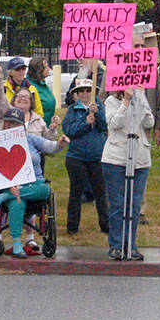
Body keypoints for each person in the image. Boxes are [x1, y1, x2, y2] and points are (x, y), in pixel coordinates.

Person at [0, 107, 62, 258]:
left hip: (35, 184)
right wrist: (11, 188)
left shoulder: (31, 139)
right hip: (12, 186)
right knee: (17, 201)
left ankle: (5, 198)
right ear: (5, 126)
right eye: (10, 124)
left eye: (17, 124)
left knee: (45, 190)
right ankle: (17, 243)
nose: (13, 127)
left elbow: (49, 146)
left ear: (22, 127)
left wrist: (59, 144)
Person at [102, 85, 154, 261]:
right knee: (118, 204)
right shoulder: (111, 101)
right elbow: (114, 124)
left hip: (139, 159)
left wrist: (142, 101)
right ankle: (116, 245)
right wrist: (125, 102)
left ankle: (130, 245)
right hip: (116, 159)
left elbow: (149, 123)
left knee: (134, 205)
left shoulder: (141, 100)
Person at [61, 78, 109, 236]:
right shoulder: (72, 110)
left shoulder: (99, 107)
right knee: (76, 192)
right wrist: (85, 123)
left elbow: (105, 127)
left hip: (97, 157)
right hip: (77, 158)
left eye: (88, 90)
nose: (85, 94)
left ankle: (106, 225)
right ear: (76, 94)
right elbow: (69, 130)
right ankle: (72, 227)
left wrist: (98, 114)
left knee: (101, 193)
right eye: (81, 91)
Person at [26, 57, 58, 127]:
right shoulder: (29, 86)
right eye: (46, 67)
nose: (49, 69)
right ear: (39, 69)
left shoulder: (43, 84)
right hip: (35, 129)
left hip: (47, 127)